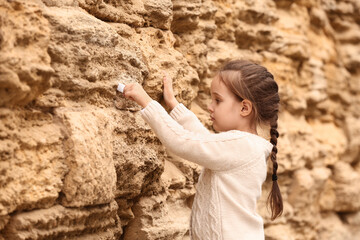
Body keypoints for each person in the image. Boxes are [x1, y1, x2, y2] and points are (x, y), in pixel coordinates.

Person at [121, 60, 283, 240]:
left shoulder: (241, 145)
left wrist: (147, 101)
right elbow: (203, 141)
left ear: (244, 108)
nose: (210, 106)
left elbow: (182, 142)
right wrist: (174, 105)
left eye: (218, 100)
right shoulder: (243, 145)